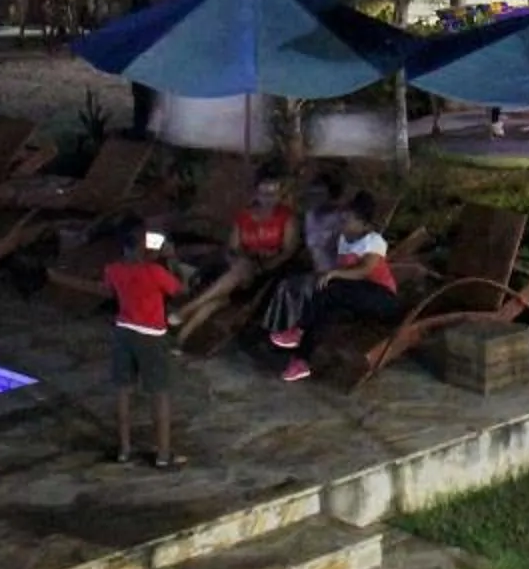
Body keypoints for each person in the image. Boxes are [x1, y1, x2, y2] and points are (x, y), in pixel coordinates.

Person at [280, 193, 401, 382]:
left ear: (364, 225)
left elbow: (364, 270)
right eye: (343, 219)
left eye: (348, 220)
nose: (343, 223)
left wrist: (334, 274)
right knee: (323, 308)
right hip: (354, 296)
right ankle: (301, 361)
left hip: (381, 297)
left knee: (330, 287)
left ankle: (299, 330)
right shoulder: (344, 240)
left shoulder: (373, 241)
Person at [171, 173, 300, 340]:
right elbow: (233, 247)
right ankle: (181, 338)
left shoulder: (286, 217)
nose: (268, 198)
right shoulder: (244, 216)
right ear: (256, 193)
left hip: (264, 272)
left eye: (273, 193)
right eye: (264, 193)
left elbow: (288, 251)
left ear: (279, 196)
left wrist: (266, 264)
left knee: (239, 271)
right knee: (217, 300)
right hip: (239, 268)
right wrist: (238, 259)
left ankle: (186, 310)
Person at [103, 224, 191, 465]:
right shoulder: (154, 271)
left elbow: (113, 290)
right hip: (151, 336)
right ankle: (163, 454)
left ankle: (124, 449)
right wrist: (172, 259)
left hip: (123, 332)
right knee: (159, 393)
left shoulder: (112, 269)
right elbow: (180, 289)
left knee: (123, 392)